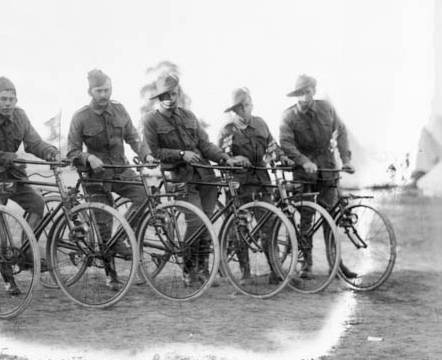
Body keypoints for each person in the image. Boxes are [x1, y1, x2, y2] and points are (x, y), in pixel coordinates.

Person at [142, 72, 247, 287]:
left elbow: (205, 145)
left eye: (173, 93)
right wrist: (181, 154)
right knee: (196, 221)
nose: (171, 98)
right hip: (181, 178)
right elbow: (155, 151)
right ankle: (188, 270)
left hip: (205, 176)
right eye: (165, 95)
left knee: (206, 224)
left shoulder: (189, 116)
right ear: (158, 98)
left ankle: (202, 270)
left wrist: (225, 158)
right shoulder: (151, 120)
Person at [0, 76, 60, 295]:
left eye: (12, 99)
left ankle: (27, 252)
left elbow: (34, 142)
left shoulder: (20, 116)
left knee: (37, 203)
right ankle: (8, 278)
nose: (8, 103)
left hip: (14, 176)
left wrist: (50, 152)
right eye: (3, 99)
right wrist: (11, 156)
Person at [67, 69, 155, 291]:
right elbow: (72, 152)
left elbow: (134, 137)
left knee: (144, 195)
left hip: (121, 170)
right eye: (99, 91)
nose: (104, 94)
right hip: (95, 177)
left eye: (107, 89)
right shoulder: (80, 117)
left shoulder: (119, 110)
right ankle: (111, 275)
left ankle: (120, 238)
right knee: (103, 224)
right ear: (90, 91)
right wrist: (88, 157)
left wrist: (146, 154)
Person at [279, 74, 357, 279]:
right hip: (303, 173)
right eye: (299, 93)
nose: (304, 97)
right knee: (306, 217)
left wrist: (346, 159)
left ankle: (336, 263)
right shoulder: (289, 117)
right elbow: (286, 144)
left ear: (314, 90)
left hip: (327, 169)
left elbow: (341, 132)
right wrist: (304, 161)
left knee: (331, 217)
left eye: (307, 92)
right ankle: (306, 263)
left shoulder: (326, 109)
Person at [218, 87, 294, 285]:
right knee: (239, 226)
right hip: (238, 184)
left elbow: (271, 146)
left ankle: (276, 271)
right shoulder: (228, 130)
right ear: (233, 110)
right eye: (239, 107)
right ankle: (245, 273)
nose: (244, 110)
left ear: (251, 104)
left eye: (247, 105)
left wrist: (281, 157)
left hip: (261, 181)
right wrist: (234, 158)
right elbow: (222, 157)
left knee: (269, 226)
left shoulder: (260, 124)